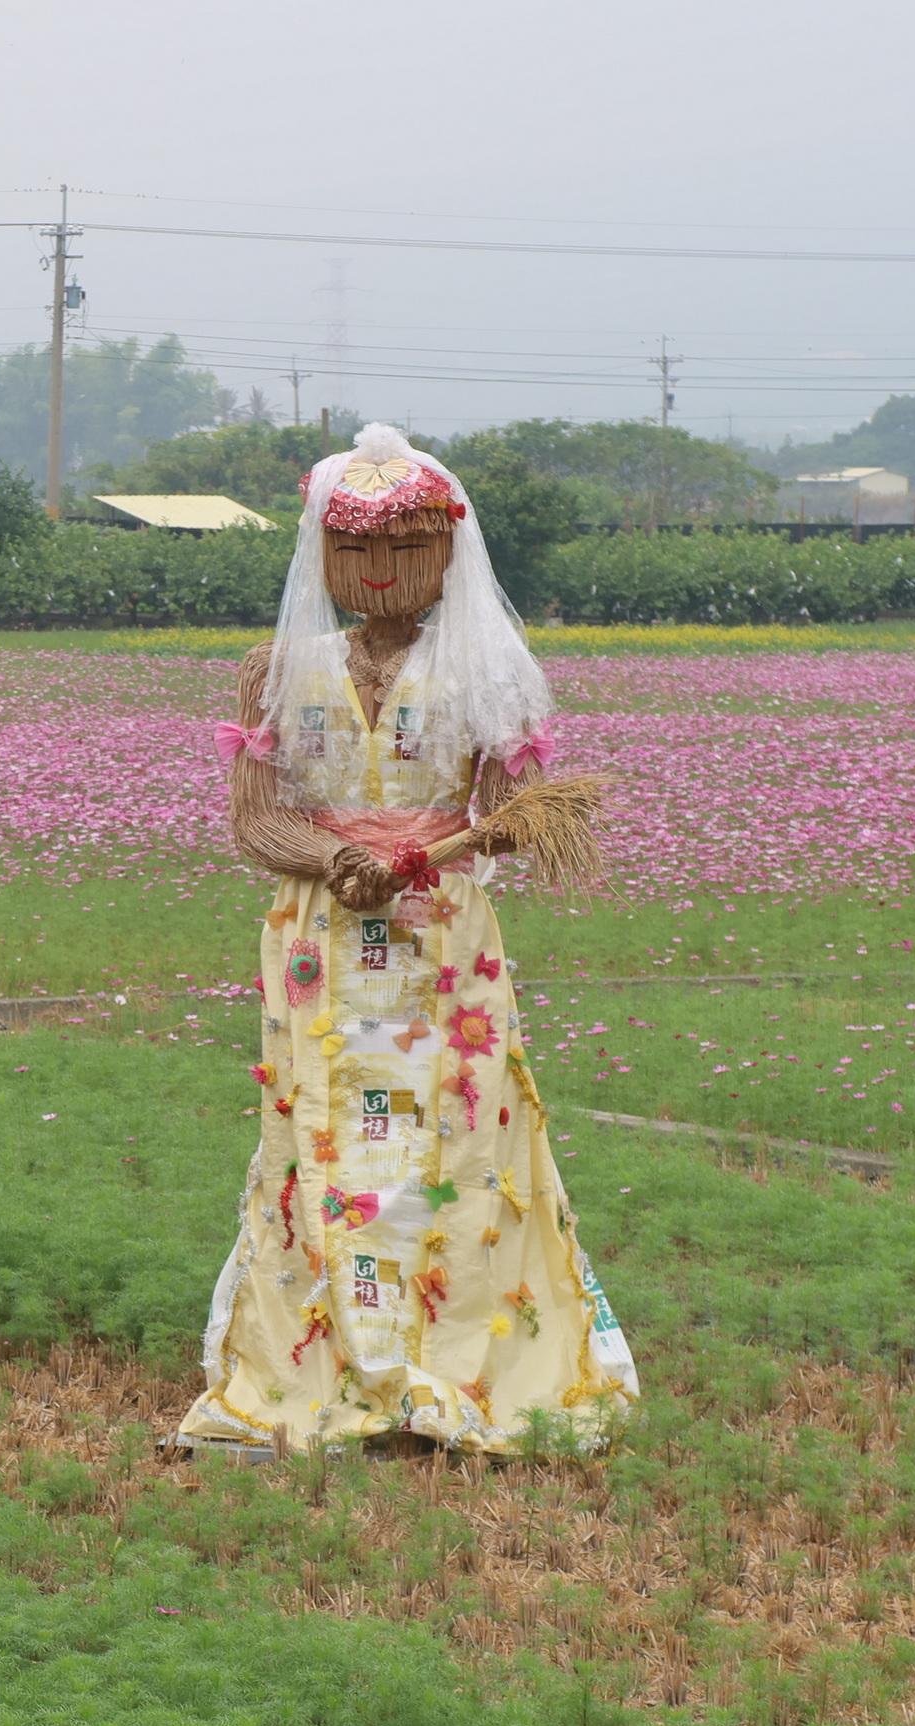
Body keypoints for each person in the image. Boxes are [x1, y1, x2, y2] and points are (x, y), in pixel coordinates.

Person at [176, 424, 638, 1455]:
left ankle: (459, 1344)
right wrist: (334, 860)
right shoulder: (273, 670)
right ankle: (328, 1347)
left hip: (440, 942)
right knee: (321, 1131)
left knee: (457, 1136)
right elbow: (255, 818)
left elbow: (519, 813)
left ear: (447, 551)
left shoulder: (489, 668)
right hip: (319, 944)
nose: (377, 572)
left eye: (402, 549)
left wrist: (438, 851)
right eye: (353, 551)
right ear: (320, 556)